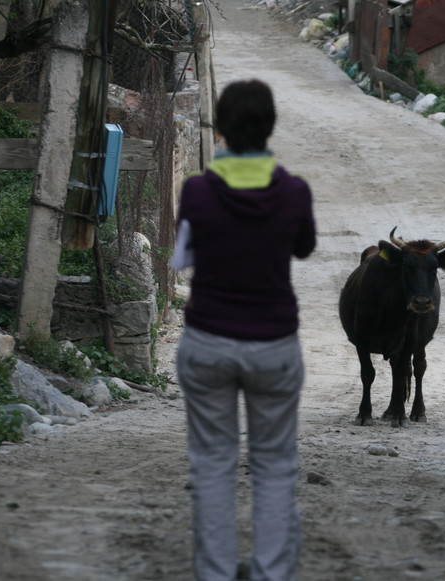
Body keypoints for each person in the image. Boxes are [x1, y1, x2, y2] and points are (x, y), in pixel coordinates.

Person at [173, 78, 316, 581]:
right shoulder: (294, 192)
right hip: (273, 346)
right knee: (275, 465)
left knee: (212, 464)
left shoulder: (196, 191)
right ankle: (271, 573)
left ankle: (213, 574)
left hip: (207, 340)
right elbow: (302, 248)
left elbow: (183, 256)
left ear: (222, 127)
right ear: (271, 126)